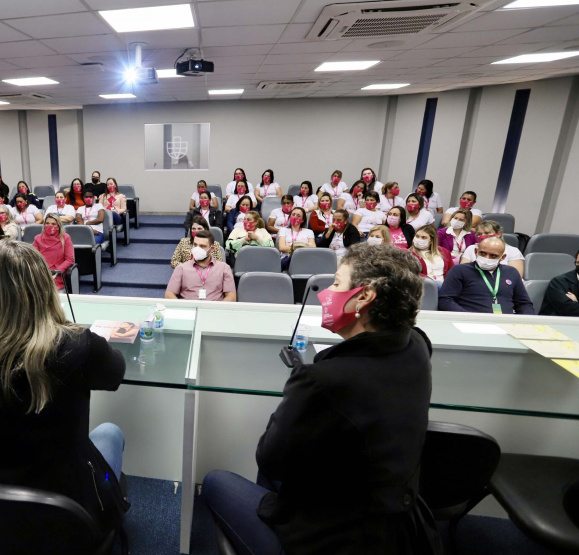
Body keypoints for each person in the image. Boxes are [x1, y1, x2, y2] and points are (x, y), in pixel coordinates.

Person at [203, 243, 440, 555]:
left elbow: (270, 458)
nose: (326, 293)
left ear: (364, 296)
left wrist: (301, 387)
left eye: (337, 284)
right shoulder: (416, 345)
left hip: (337, 538)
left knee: (215, 481)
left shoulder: (322, 381)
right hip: (397, 522)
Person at [0, 240, 128, 537]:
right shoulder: (78, 343)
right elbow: (115, 374)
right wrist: (70, 328)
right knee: (111, 434)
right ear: (46, 285)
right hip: (71, 503)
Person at [439, 237, 534, 314]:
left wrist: (527, 323)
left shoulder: (512, 272)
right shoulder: (459, 270)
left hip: (506, 323)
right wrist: (468, 317)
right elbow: (445, 301)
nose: (486, 258)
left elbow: (524, 304)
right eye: (483, 253)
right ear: (476, 252)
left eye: (493, 256)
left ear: (503, 257)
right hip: (471, 322)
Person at [165, 230, 236, 301]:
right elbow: (169, 294)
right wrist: (183, 309)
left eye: (202, 246)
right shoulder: (181, 268)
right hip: (189, 309)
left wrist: (217, 310)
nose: (197, 249)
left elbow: (231, 296)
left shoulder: (224, 268)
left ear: (211, 249)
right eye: (195, 245)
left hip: (214, 309)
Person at [460, 220, 524, 276]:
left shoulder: (513, 251)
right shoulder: (471, 248)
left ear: (498, 234)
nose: (482, 236)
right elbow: (463, 270)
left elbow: (516, 275)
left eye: (487, 233)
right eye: (479, 234)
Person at [33, 213, 75, 290]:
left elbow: (69, 259)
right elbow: (34, 258)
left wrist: (56, 272)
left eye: (53, 224)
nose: (50, 226)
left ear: (58, 226)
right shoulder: (37, 238)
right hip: (41, 272)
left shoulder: (65, 238)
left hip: (57, 273)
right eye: (47, 223)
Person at [540, 251, 579, 316]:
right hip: (557, 324)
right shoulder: (559, 282)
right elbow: (568, 309)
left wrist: (577, 302)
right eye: (578, 262)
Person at [277, 207, 315, 271]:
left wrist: (290, 246)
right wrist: (304, 246)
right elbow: (281, 248)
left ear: (302, 220)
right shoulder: (283, 230)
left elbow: (313, 248)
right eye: (293, 214)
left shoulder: (309, 232)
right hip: (287, 259)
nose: (295, 217)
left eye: (298, 216)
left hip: (305, 259)